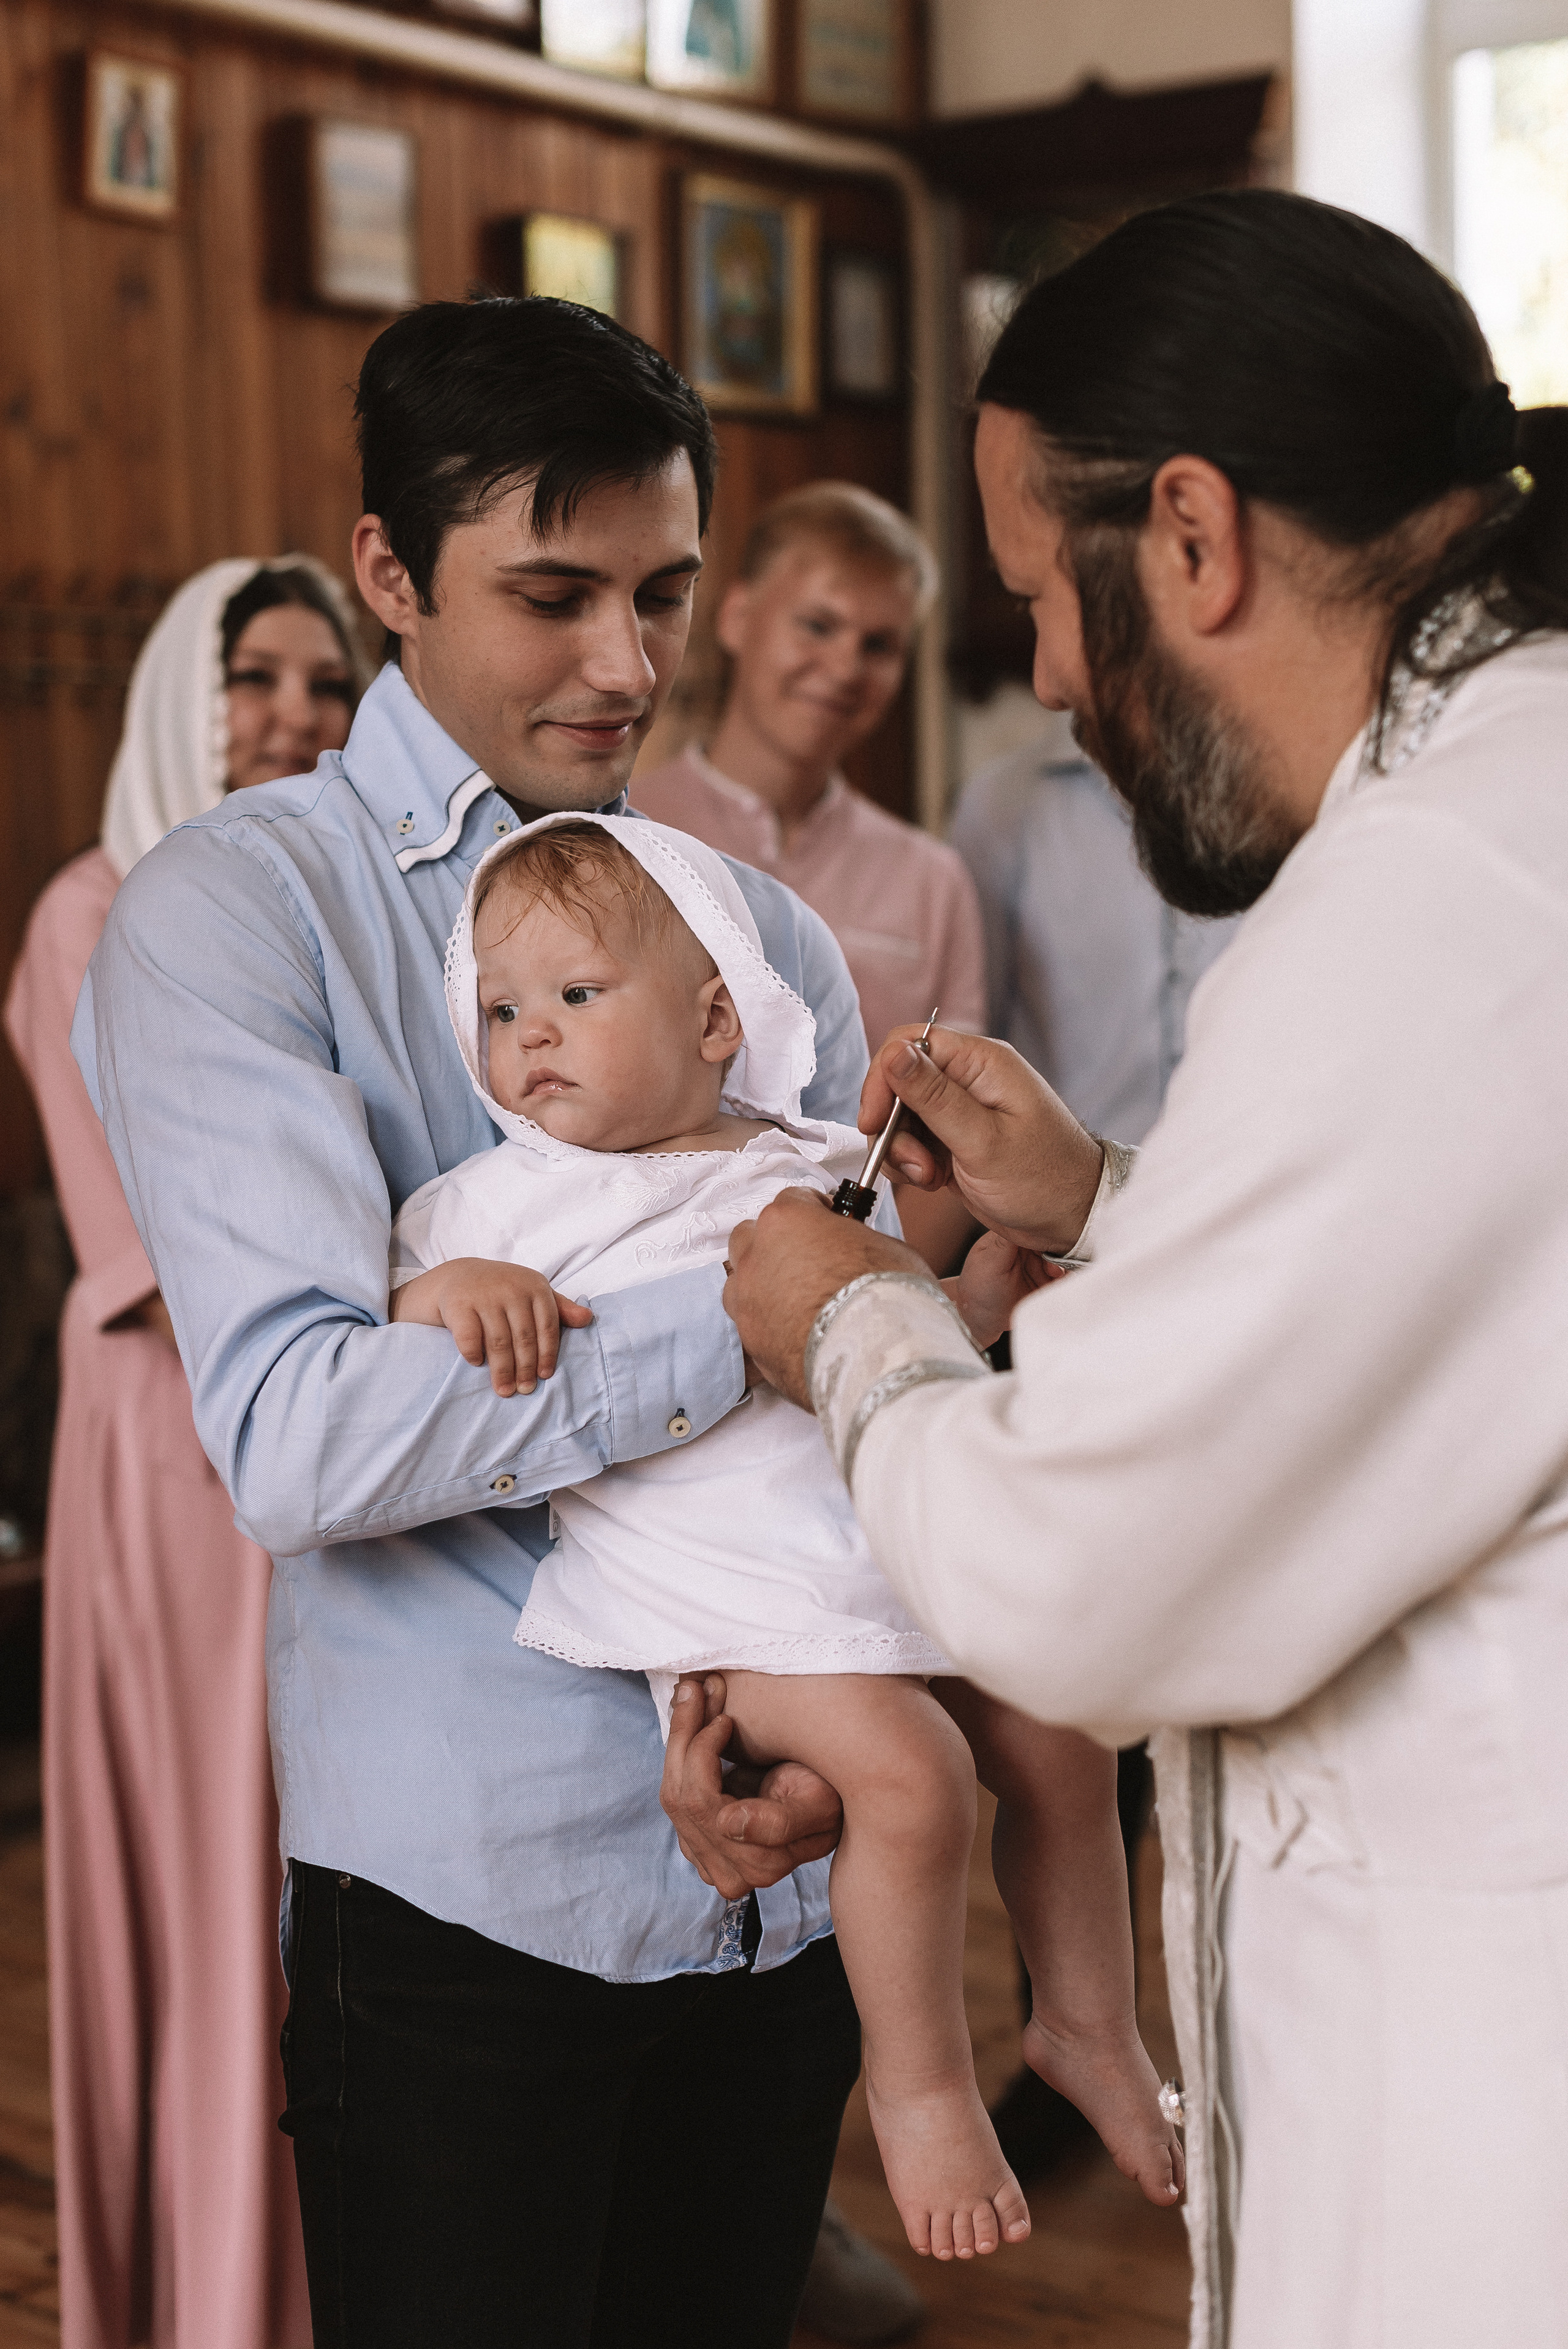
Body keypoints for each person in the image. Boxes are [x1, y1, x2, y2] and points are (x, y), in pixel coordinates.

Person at [710, 189, 1568, 2349]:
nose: (1054, 680)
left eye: (1034, 599)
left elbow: (1080, 1579)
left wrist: (853, 1317)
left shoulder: (1432, 899)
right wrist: (1111, 1203)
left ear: (1190, 534)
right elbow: (1452, 1280)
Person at [74, 296, 889, 2349]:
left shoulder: (753, 929)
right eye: (555, 595)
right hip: (471, 1899)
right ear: (386, 577)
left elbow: (876, 1368)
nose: (628, 663)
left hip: (783, 1873)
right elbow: (303, 1441)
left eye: (664, 593)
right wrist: (748, 1317)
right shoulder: (233, 916)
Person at [385, 811, 1181, 2258]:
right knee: (918, 1773)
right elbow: (398, 1304)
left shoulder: (813, 1160)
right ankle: (923, 2092)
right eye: (498, 1010)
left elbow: (884, 1331)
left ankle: (1083, 2021)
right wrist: (459, 1296)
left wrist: (981, 1297)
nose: (530, 1039)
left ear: (709, 1020)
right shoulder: (505, 1205)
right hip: (722, 1603)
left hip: (878, 1551)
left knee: (1067, 1729)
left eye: (575, 996)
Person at [4, 555, 364, 2349]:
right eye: (256, 678)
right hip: (177, 1458)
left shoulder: (329, 909)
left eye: (326, 686)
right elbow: (159, 1249)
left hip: (319, 1433)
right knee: (213, 1878)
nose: (293, 717)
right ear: (182, 694)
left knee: (310, 1880)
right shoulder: (90, 908)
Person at [950, 721, 1237, 2181]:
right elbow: (977, 1023)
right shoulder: (1004, 798)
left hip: (1248, 1265)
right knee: (1071, 1659)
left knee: (1226, 1644)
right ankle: (1067, 2033)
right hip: (1056, 1263)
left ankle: (1237, 2028)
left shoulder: (1275, 765)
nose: (1043, 667)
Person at [633, 481, 986, 1271]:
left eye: (880, 644)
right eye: (818, 625)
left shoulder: (933, 881)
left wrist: (872, 1291)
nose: (844, 667)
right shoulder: (629, 837)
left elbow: (951, 1141)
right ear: (736, 618)